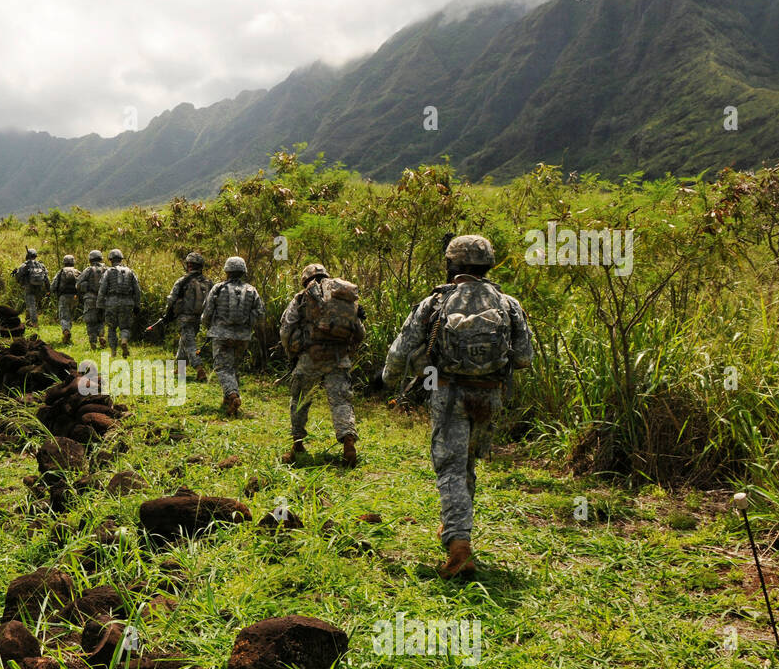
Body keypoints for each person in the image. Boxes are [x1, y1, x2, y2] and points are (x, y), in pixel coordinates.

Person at [377, 234, 534, 578]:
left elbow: (400, 350)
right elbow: (524, 358)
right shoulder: (509, 304)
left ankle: (459, 547)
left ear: (452, 264)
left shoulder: (435, 302)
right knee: (467, 464)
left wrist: (387, 380)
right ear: (488, 265)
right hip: (490, 396)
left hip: (449, 394)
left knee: (450, 467)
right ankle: (454, 527)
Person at [278, 263, 366, 466]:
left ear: (305, 279)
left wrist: (292, 353)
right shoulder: (342, 298)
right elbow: (360, 333)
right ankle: (348, 441)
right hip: (339, 359)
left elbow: (286, 328)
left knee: (300, 399)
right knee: (341, 401)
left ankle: (298, 443)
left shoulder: (302, 297)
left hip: (311, 358)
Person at [200, 256, 265, 417]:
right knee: (233, 367)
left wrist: (208, 326)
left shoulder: (218, 288)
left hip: (221, 335)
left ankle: (233, 395)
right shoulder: (251, 290)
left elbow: (207, 311)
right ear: (243, 272)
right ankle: (227, 400)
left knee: (222, 368)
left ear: (227, 271)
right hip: (243, 337)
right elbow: (260, 313)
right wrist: (247, 325)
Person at [152, 251, 210, 381]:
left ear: (188, 265)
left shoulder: (183, 281)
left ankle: (200, 369)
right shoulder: (208, 282)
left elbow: (171, 299)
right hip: (199, 319)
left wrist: (167, 315)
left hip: (185, 318)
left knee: (189, 345)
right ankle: (181, 369)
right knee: (184, 341)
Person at [96, 249, 141, 358]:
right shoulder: (130, 272)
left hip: (111, 303)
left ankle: (113, 352)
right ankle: (124, 340)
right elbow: (137, 290)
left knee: (111, 328)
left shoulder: (108, 272)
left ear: (110, 260)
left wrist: (99, 306)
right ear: (121, 259)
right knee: (125, 327)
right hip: (127, 302)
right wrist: (137, 305)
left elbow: (102, 290)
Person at [76, 250, 107, 348]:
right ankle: (101, 335)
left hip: (90, 299)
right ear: (101, 258)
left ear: (90, 259)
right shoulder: (107, 269)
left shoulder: (88, 270)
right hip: (103, 299)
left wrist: (84, 287)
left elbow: (78, 284)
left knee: (90, 321)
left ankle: (93, 342)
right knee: (101, 320)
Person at [14, 248, 49, 327]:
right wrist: (48, 289)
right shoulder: (41, 265)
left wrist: (21, 283)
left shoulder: (24, 265)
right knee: (31, 304)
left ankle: (34, 323)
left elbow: (18, 276)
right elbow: (46, 278)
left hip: (29, 287)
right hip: (39, 287)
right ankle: (28, 320)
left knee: (31, 305)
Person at [51, 254, 81, 344]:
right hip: (75, 297)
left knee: (64, 316)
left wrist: (52, 291)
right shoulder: (77, 272)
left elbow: (53, 285)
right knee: (70, 316)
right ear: (73, 262)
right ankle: (68, 333)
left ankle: (66, 331)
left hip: (63, 297)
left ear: (64, 262)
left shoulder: (61, 272)